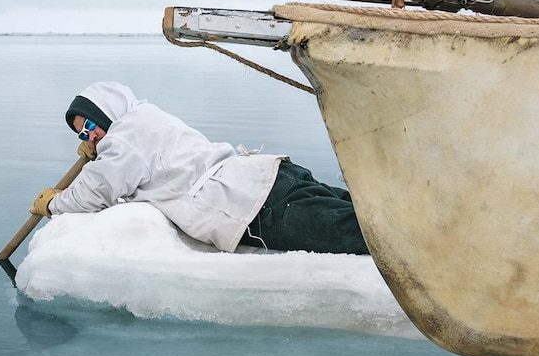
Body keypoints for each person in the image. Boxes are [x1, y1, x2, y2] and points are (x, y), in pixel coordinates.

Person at [29, 82, 369, 255]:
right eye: (83, 134)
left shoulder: (124, 140)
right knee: (367, 214)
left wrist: (54, 203)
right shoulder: (143, 116)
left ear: (104, 112)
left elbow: (97, 190)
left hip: (253, 206)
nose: (91, 136)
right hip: (268, 176)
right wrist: (101, 150)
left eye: (90, 125)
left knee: (364, 237)